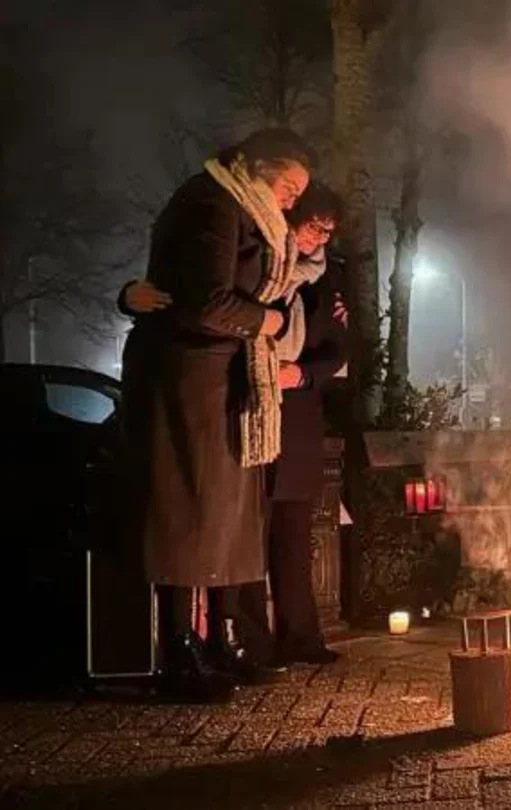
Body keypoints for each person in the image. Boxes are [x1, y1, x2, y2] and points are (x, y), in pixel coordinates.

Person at [120, 128, 315, 701]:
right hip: (188, 378)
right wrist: (268, 324)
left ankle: (216, 643)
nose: (290, 202)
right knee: (189, 508)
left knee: (223, 514)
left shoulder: (239, 204)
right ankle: (178, 648)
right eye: (287, 187)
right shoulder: (211, 203)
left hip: (222, 378)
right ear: (255, 168)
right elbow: (205, 301)